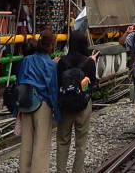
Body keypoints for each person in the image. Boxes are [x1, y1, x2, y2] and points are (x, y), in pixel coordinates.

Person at [16, 30, 61, 173]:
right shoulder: (51, 65)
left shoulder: (27, 60)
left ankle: (24, 170)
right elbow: (53, 90)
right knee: (41, 144)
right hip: (43, 104)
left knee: (26, 143)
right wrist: (57, 112)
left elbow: (19, 83)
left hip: (26, 103)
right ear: (51, 46)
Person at [56, 31, 98, 173]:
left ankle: (60, 170)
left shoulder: (62, 62)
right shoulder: (89, 62)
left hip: (65, 106)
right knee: (81, 143)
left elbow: (58, 83)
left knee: (62, 141)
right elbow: (93, 83)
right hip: (83, 106)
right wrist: (92, 61)